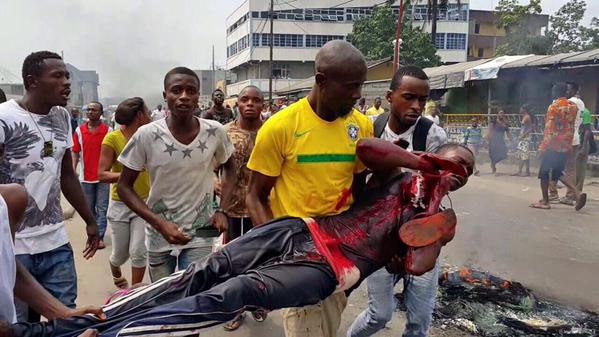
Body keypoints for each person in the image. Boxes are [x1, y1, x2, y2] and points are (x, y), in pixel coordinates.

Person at [2, 141, 475, 337]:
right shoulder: (402, 169)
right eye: (454, 162)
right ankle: (72, 325)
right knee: (208, 270)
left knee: (236, 292)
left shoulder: (438, 216)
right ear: (438, 156)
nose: (457, 172)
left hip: (331, 267)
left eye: (465, 171)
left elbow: (416, 266)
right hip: (303, 229)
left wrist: (435, 203)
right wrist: (425, 164)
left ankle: (114, 334)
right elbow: (367, 150)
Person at [245, 40, 373, 337]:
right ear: (321, 80)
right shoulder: (280, 127)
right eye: (350, 86)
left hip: (342, 249)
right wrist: (280, 251)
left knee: (326, 324)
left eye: (360, 86)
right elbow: (255, 195)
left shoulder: (361, 126)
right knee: (308, 327)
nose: (357, 95)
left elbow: (359, 190)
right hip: (300, 249)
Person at [0, 51, 100, 322]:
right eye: (58, 76)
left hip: (55, 241)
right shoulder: (4, 118)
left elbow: (66, 175)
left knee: (67, 319)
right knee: (20, 325)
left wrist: (90, 221)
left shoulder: (62, 117)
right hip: (14, 247)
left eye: (67, 75)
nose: (67, 82)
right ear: (33, 81)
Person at [349, 65, 447, 337]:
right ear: (390, 96)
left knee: (419, 322)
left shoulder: (432, 135)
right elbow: (360, 188)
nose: (417, 106)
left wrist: (411, 246)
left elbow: (434, 195)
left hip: (422, 235)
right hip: (380, 237)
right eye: (409, 97)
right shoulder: (371, 129)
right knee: (378, 315)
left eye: (423, 100)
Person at [116, 67, 234, 282]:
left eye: (191, 91)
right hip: (159, 234)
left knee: (193, 295)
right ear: (165, 95)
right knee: (164, 298)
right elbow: (124, 187)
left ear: (198, 96)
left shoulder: (215, 131)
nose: (184, 97)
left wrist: (223, 210)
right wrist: (159, 224)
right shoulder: (147, 135)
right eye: (176, 91)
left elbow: (230, 167)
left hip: (202, 232)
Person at [0, 184, 104, 326]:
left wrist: (62, 313)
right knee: (21, 320)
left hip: (56, 243)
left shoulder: (10, 200)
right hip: (21, 249)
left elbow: (7, 268)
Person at [220, 85, 265, 331]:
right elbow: (209, 164)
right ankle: (235, 308)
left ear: (263, 105)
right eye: (245, 99)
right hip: (232, 208)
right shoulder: (224, 133)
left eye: (256, 100)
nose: (250, 104)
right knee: (234, 261)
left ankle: (258, 301)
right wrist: (213, 181)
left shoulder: (271, 132)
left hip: (262, 209)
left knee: (262, 259)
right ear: (237, 103)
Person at [98, 97, 151, 289]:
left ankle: (134, 294)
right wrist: (128, 174)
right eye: (147, 112)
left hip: (143, 202)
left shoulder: (149, 137)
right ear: (139, 116)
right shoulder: (112, 139)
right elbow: (102, 174)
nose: (150, 115)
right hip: (120, 203)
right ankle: (114, 266)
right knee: (121, 254)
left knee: (138, 251)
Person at [530, 82, 586, 211]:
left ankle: (545, 201)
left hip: (553, 145)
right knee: (558, 171)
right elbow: (571, 125)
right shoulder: (573, 106)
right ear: (566, 92)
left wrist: (542, 148)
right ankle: (577, 193)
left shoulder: (553, 107)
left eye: (553, 90)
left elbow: (550, 130)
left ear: (555, 92)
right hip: (566, 144)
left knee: (544, 173)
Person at [72, 102, 111, 248]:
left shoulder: (109, 131)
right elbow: (75, 152)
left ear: (101, 113)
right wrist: (73, 169)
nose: (90, 112)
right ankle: (93, 234)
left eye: (93, 110)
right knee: (89, 208)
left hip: (103, 177)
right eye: (88, 109)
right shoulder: (79, 131)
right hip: (85, 177)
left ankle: (99, 238)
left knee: (102, 208)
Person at [554, 82, 585, 205]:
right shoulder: (581, 102)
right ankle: (572, 194)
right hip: (576, 136)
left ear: (573, 90)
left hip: (567, 138)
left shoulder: (569, 102)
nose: (566, 91)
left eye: (568, 89)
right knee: (572, 168)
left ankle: (568, 194)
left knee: (560, 168)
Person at [487, 110, 511, 175]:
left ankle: (493, 164)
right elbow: (489, 131)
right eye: (500, 113)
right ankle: (493, 167)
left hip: (501, 141)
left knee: (504, 153)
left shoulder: (505, 123)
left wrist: (511, 140)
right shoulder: (493, 122)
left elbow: (508, 132)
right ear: (497, 114)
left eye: (503, 113)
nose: (502, 114)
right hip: (493, 140)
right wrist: (488, 140)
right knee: (493, 155)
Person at [512, 104, 533, 177]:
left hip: (525, 138)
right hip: (522, 138)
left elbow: (530, 128)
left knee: (525, 155)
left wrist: (523, 135)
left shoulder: (527, 117)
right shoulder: (524, 117)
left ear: (524, 109)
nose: (520, 110)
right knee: (521, 154)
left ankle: (527, 171)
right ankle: (520, 171)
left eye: (521, 109)